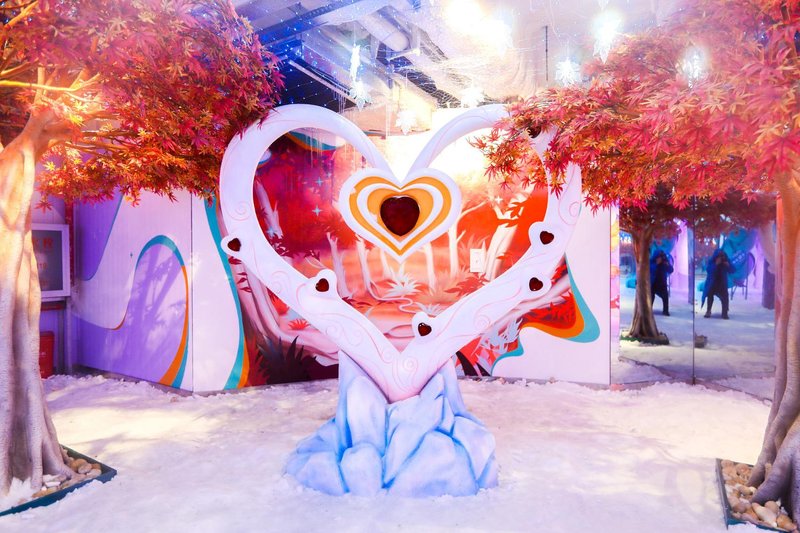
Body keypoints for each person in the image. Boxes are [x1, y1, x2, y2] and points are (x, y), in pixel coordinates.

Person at [704, 249, 735, 319]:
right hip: (713, 283)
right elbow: (708, 270)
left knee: (725, 297)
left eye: (722, 256)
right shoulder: (712, 261)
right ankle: (708, 311)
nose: (721, 258)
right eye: (720, 256)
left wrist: (728, 265)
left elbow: (733, 270)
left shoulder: (726, 261)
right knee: (710, 295)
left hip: (722, 283)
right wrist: (716, 264)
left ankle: (724, 313)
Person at [650, 249, 673, 316]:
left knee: (665, 297)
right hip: (653, 283)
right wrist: (656, 264)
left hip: (662, 284)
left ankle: (665, 311)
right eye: (659, 258)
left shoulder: (664, 264)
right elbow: (650, 271)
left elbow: (671, 270)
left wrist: (668, 265)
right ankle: (649, 310)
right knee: (651, 296)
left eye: (661, 258)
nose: (660, 259)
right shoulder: (651, 263)